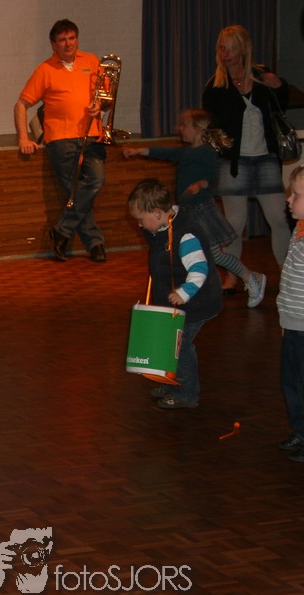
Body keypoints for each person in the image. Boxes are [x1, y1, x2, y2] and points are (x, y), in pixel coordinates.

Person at [124, 109, 267, 308]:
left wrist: (201, 184)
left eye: (185, 125)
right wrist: (139, 150)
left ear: (198, 129)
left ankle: (251, 277)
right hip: (189, 211)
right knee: (200, 255)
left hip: (202, 211)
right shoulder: (186, 152)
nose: (180, 129)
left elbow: (213, 178)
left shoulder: (207, 152)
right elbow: (163, 152)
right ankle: (203, 287)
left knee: (215, 255)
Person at [15, 18, 108, 263]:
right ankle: (95, 243)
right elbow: (21, 104)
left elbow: (106, 98)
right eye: (62, 40)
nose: (68, 43)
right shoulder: (45, 69)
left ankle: (62, 231)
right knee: (75, 192)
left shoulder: (92, 61)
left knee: (95, 181)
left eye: (71, 38)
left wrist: (100, 105)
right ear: (53, 45)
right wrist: (24, 137)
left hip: (92, 135)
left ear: (77, 39)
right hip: (60, 139)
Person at [202, 24, 294, 268]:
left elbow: (282, 105)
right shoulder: (215, 86)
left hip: (266, 159)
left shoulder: (262, 76)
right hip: (234, 163)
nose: (226, 54)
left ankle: (288, 274)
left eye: (232, 49)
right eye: (222, 48)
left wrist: (279, 86)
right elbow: (212, 125)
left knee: (279, 219)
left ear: (243, 50)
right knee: (234, 223)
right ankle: (233, 276)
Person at [127, 179, 222, 409]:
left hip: (195, 303)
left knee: (181, 347)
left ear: (157, 213)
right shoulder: (162, 228)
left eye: (141, 220)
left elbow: (199, 268)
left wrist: (184, 293)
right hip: (177, 303)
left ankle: (186, 393)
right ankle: (171, 384)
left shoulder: (185, 234)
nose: (139, 225)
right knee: (171, 344)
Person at [277, 166, 304, 461]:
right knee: (292, 382)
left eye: (295, 194)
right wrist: (285, 318)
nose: (288, 199)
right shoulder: (298, 230)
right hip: (294, 324)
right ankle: (301, 430)